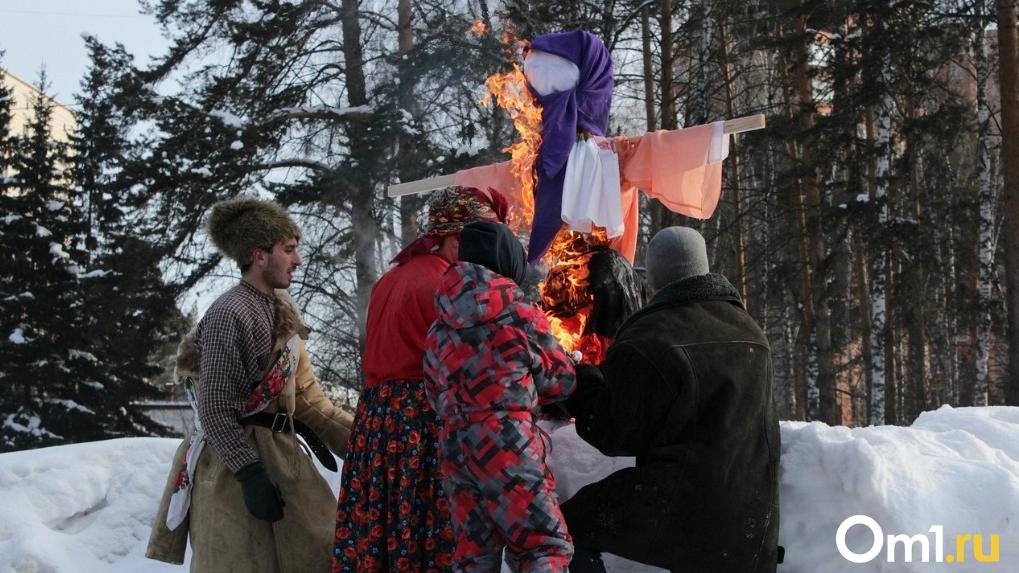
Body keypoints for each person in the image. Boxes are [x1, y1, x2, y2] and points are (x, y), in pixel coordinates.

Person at [147, 197, 354, 572]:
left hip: (283, 461)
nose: (298, 260)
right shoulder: (230, 314)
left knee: (320, 553)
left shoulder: (281, 311)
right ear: (259, 256)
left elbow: (307, 400)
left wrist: (362, 442)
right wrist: (250, 474)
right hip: (232, 473)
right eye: (288, 250)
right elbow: (215, 410)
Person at [561, 226, 782, 573]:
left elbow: (611, 433)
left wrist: (581, 380)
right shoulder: (750, 331)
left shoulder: (649, 336)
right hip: (753, 520)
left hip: (684, 509)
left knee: (565, 527)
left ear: (654, 277)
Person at [333, 186, 510, 572]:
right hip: (423, 423)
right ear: (454, 239)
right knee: (430, 537)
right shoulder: (451, 284)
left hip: (377, 423)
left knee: (384, 535)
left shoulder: (390, 279)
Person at [423, 221, 577, 572]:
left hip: (455, 450)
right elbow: (560, 381)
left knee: (473, 556)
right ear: (508, 261)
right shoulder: (519, 315)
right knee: (542, 547)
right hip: (507, 445)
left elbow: (434, 393)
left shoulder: (439, 326)